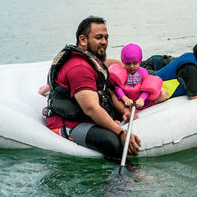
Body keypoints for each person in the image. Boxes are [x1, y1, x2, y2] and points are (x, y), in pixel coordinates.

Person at [43, 16, 141, 160]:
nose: (104, 42)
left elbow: (105, 91)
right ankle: (128, 178)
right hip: (70, 123)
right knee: (111, 141)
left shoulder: (92, 61)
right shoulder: (79, 67)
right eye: (99, 37)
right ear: (83, 40)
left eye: (106, 38)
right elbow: (91, 109)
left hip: (85, 116)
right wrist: (121, 133)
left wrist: (123, 111)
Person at [109, 43, 168, 109]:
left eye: (135, 63)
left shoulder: (143, 72)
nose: (131, 66)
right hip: (127, 101)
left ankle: (150, 105)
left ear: (140, 61)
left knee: (164, 93)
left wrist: (141, 99)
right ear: (123, 62)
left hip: (143, 100)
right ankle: (134, 108)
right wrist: (125, 99)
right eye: (128, 63)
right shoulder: (121, 72)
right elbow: (117, 88)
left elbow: (147, 88)